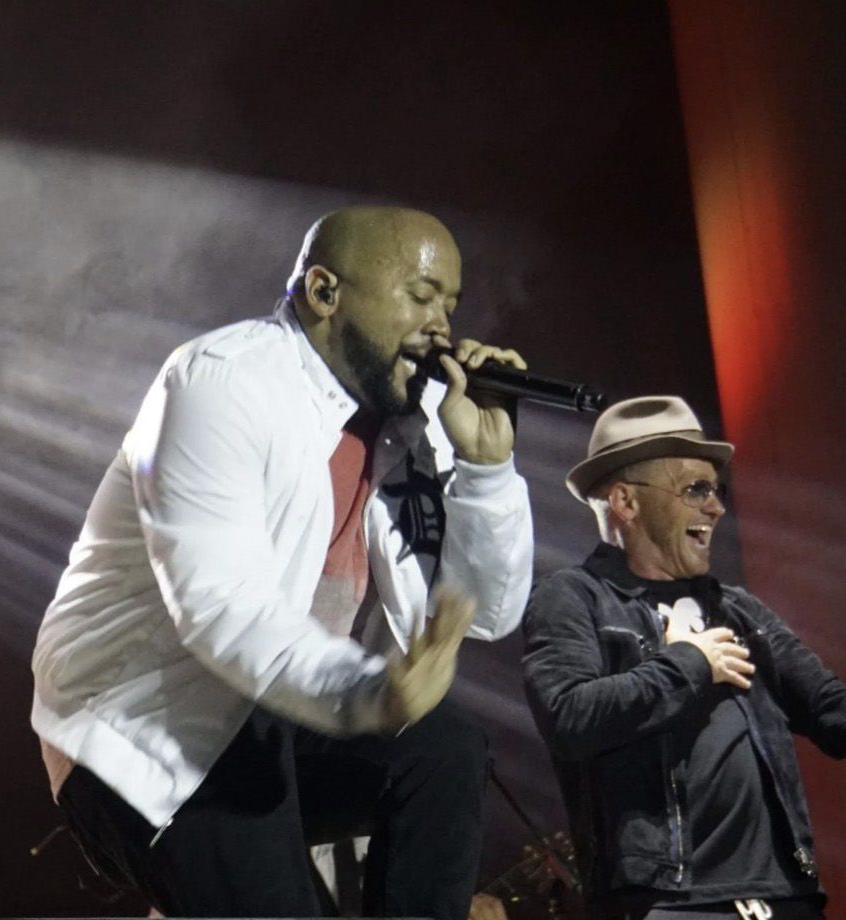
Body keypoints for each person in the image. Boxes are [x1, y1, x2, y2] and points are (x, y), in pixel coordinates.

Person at [31, 206, 534, 919]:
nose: (440, 329)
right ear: (325, 293)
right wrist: (371, 692)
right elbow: (220, 606)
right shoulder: (223, 381)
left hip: (280, 712)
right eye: (420, 298)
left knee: (445, 750)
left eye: (449, 306)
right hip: (148, 725)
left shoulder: (414, 424)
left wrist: (487, 469)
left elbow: (490, 614)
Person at [521, 396, 846, 920]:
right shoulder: (573, 598)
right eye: (695, 489)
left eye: (717, 489)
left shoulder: (738, 610)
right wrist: (686, 663)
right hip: (666, 905)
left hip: (783, 897)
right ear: (626, 501)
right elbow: (569, 716)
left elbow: (830, 704)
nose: (716, 507)